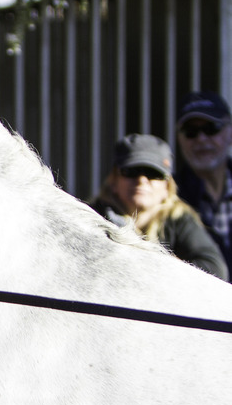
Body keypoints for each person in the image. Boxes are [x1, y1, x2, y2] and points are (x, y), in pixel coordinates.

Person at [91, 132, 227, 280]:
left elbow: (215, 269)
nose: (141, 180)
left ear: (167, 187)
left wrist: (158, 266)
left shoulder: (178, 218)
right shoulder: (92, 217)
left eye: (153, 173)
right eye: (131, 171)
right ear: (114, 181)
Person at [173, 90, 232, 277]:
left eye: (211, 128)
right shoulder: (169, 197)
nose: (201, 139)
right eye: (191, 132)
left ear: (230, 132)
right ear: (179, 138)